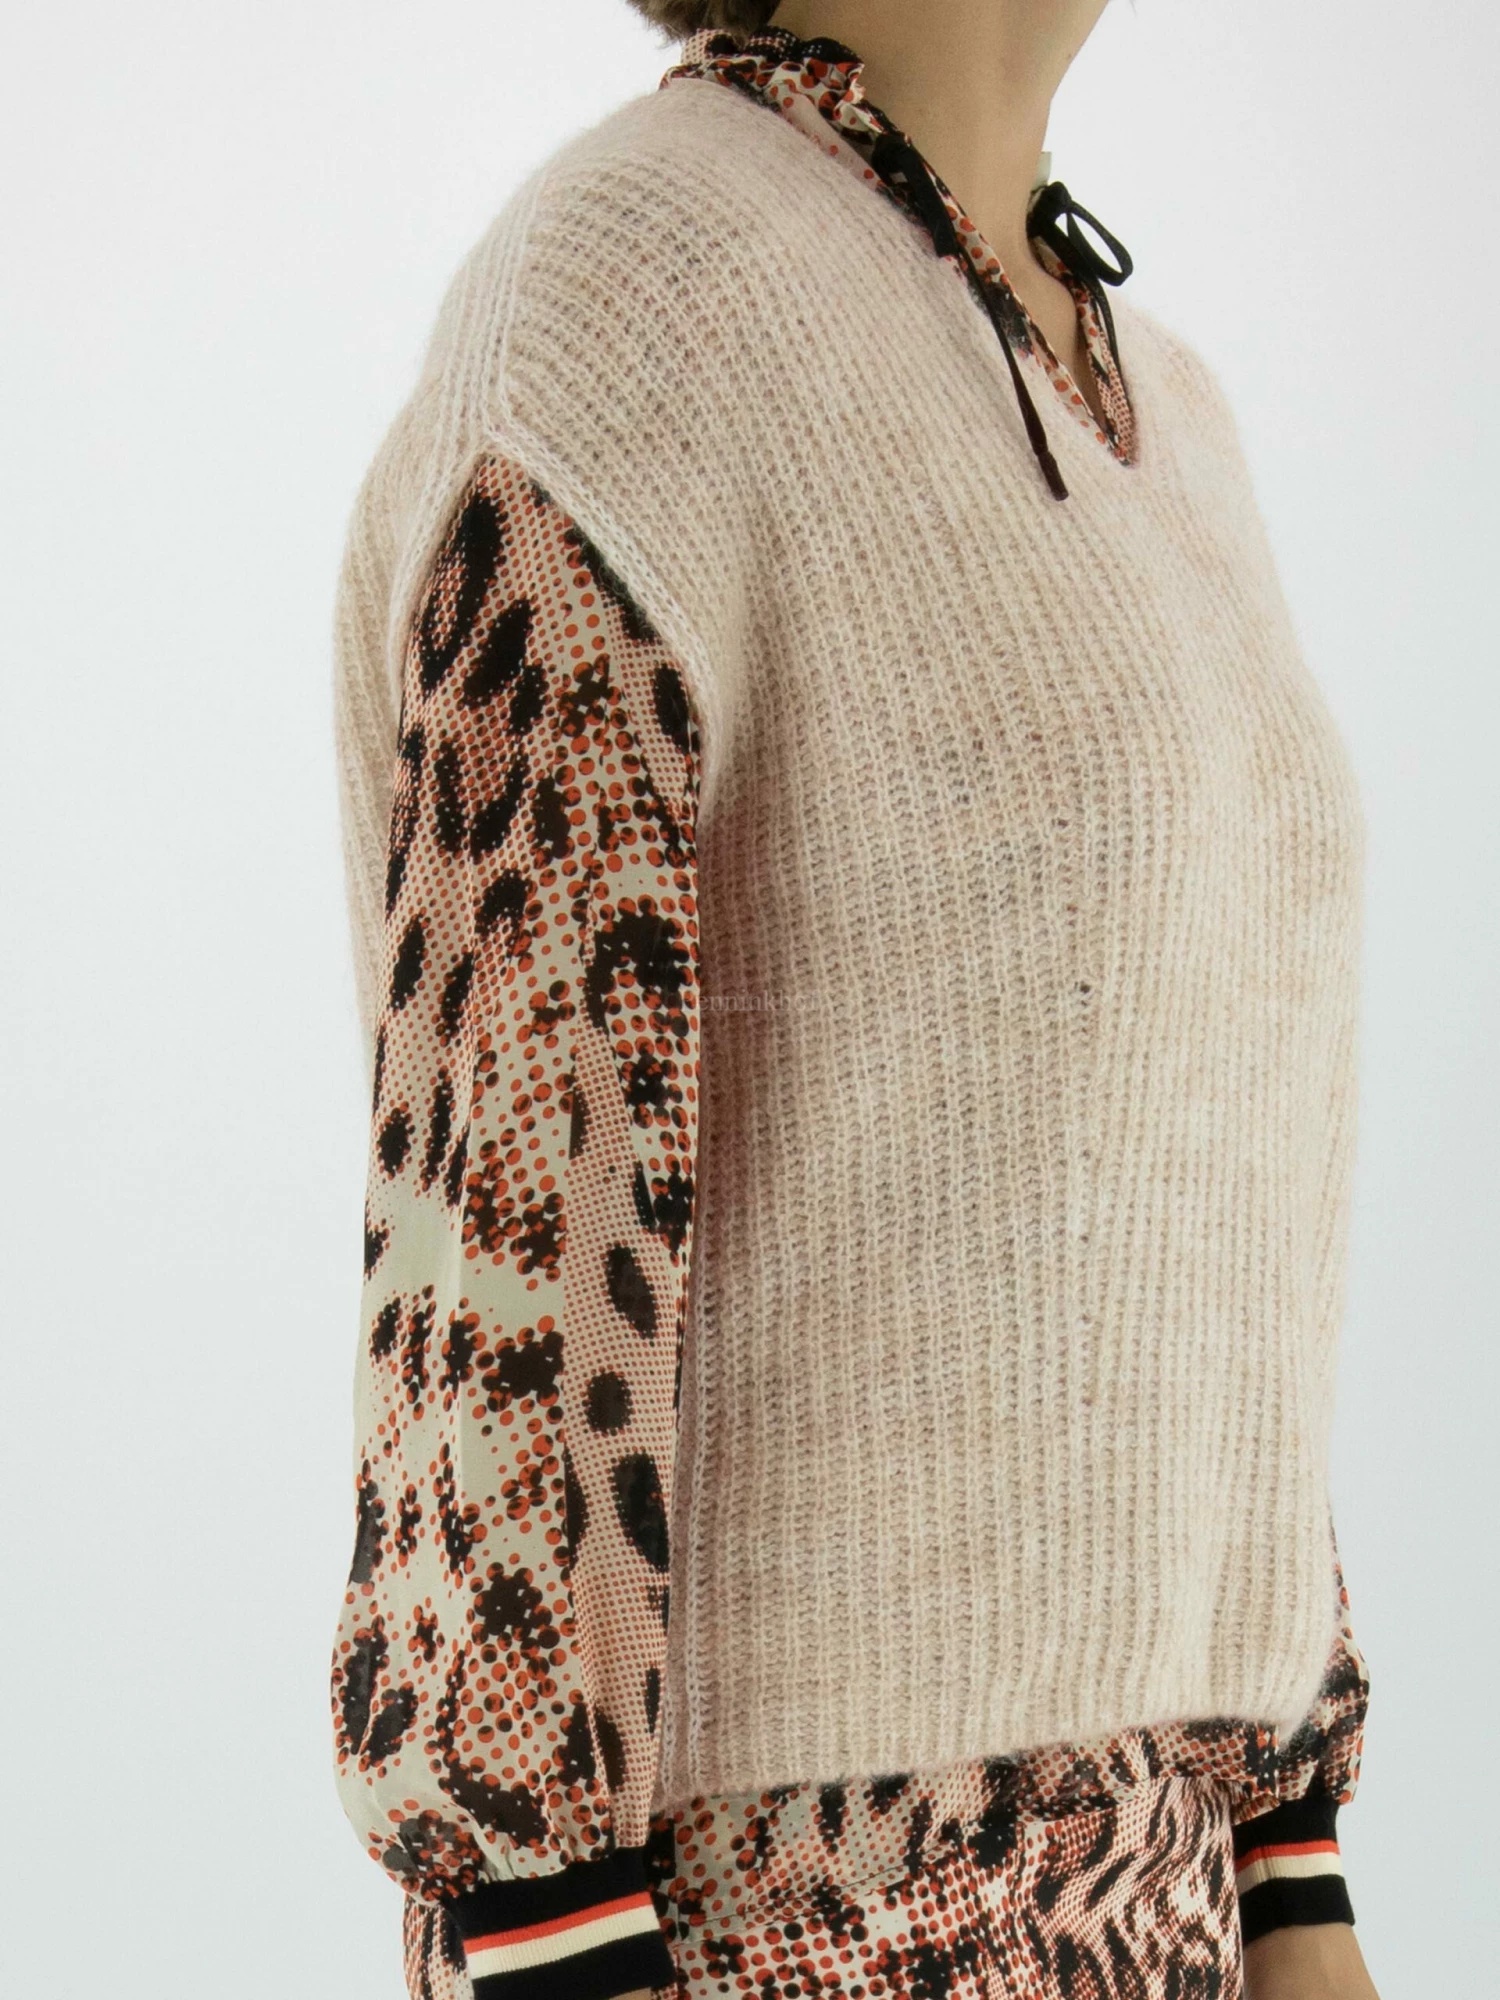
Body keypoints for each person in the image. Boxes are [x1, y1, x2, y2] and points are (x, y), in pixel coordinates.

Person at [327, 4, 1382, 1996]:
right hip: (782, 1917)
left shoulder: (1164, 403)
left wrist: (1288, 1862)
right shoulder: (632, 301)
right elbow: (511, 1214)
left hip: (1176, 1892)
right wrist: (541, 1925)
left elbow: (1189, 1187)